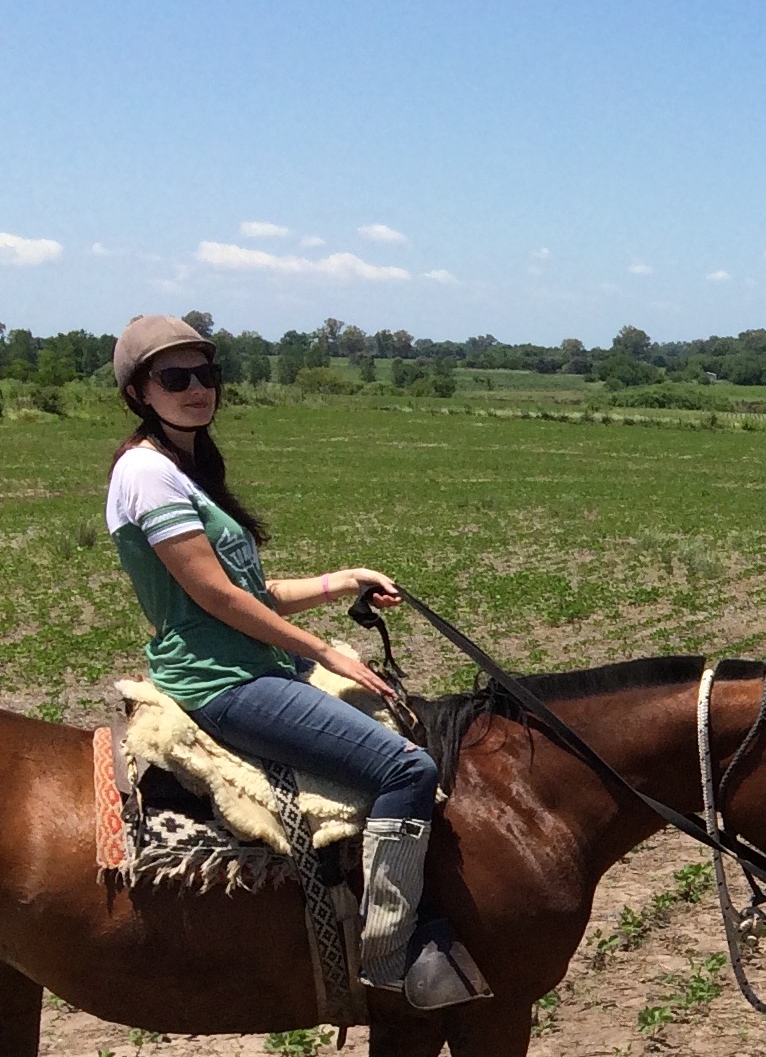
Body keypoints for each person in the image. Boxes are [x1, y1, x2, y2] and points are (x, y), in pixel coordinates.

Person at [103, 314, 487, 1009]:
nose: (197, 389)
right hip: (224, 679)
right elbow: (215, 598)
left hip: (256, 664)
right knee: (407, 767)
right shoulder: (148, 474)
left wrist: (343, 580)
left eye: (206, 375)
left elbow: (258, 592)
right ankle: (393, 954)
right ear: (139, 392)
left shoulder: (187, 471)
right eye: (175, 378)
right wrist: (323, 649)